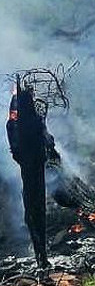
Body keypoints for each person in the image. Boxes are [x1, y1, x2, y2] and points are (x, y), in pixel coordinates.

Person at [5, 84, 51, 270]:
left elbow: (17, 144)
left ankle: (42, 258)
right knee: (35, 211)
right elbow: (45, 141)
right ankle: (41, 258)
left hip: (31, 167)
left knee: (34, 211)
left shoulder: (20, 122)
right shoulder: (31, 120)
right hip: (34, 168)